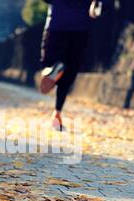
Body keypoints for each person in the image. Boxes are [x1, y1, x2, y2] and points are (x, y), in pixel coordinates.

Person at [40, 0, 103, 131]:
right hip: (81, 26)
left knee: (52, 61)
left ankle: (53, 69)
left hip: (57, 24)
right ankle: (57, 114)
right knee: (69, 73)